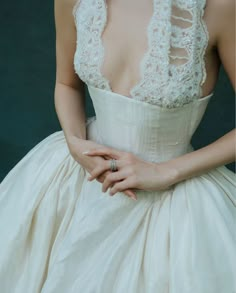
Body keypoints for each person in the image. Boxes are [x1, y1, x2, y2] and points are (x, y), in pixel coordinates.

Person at [0, 0, 235, 292]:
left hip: (173, 196)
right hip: (77, 179)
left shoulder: (220, 7)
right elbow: (66, 84)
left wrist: (165, 172)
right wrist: (75, 144)